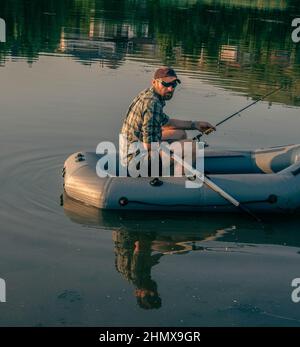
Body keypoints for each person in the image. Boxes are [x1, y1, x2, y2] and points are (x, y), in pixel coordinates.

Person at [120, 67, 215, 173]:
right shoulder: (152, 103)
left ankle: (175, 166)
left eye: (173, 84)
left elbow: (167, 123)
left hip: (132, 150)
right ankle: (178, 180)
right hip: (135, 162)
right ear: (154, 82)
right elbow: (150, 146)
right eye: (165, 84)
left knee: (180, 134)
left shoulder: (149, 94)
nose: (170, 88)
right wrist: (185, 146)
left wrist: (195, 125)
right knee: (192, 147)